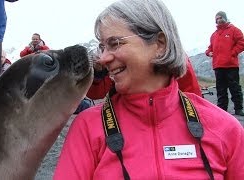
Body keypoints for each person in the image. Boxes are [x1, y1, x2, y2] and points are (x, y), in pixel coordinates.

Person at [54, 0, 244, 179]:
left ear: (160, 44)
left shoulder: (225, 129)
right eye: (102, 47)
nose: (103, 58)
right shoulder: (86, 128)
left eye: (115, 44)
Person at [205, 11, 244, 116]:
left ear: (225, 18)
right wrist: (208, 52)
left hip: (231, 65)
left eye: (221, 17)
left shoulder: (234, 30)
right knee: (221, 89)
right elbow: (210, 48)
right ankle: (222, 109)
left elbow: (242, 42)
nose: (219, 20)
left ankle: (238, 108)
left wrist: (233, 53)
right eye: (217, 18)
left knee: (234, 87)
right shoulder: (214, 35)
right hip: (218, 66)